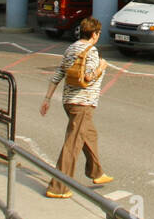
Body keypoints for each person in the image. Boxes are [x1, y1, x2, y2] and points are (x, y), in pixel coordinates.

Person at [40, 17, 113, 196]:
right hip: (83, 103)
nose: (98, 36)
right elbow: (88, 77)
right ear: (94, 34)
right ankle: (58, 187)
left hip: (69, 101)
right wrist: (101, 67)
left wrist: (47, 98)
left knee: (90, 135)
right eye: (99, 33)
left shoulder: (71, 48)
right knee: (72, 145)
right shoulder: (92, 51)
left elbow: (59, 74)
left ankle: (96, 172)